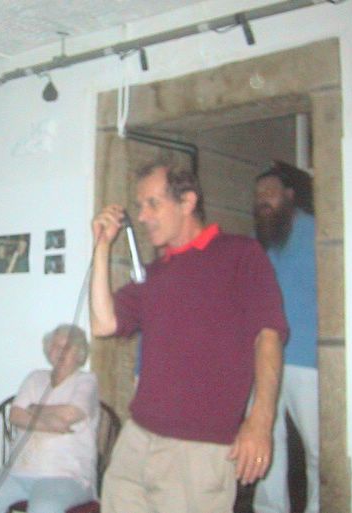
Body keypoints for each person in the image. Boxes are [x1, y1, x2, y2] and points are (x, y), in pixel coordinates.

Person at [90, 160, 288, 513]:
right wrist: (101, 247)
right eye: (140, 206)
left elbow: (268, 336)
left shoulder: (240, 254)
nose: (143, 216)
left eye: (153, 203)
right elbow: (103, 323)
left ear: (187, 201)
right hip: (137, 439)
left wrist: (260, 421)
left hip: (198, 449)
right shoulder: (153, 274)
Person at [0, 324, 99, 513]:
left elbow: (70, 414)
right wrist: (53, 424)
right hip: (17, 472)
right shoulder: (35, 378)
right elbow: (15, 415)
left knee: (44, 508)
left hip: (66, 475)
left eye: (67, 347)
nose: (60, 352)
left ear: (80, 353)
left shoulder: (86, 381)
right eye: (55, 346)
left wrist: (32, 408)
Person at [252, 161, 319, 513]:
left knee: (318, 448)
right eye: (258, 195)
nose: (263, 199)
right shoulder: (261, 242)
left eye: (270, 192)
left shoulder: (317, 232)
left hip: (307, 360)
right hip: (265, 358)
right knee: (265, 439)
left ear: (290, 195)